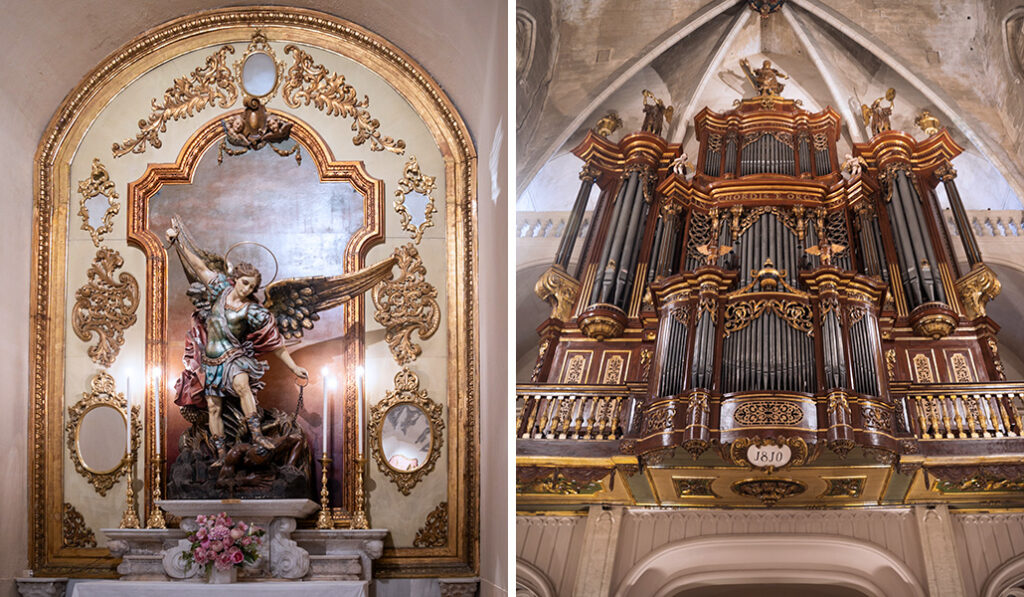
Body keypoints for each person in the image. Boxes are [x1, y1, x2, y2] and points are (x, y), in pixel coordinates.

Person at [167, 217, 308, 469]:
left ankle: (257, 437)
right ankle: (221, 455)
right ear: (235, 279)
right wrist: (179, 241)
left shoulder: (253, 311)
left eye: (252, 286)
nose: (247, 289)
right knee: (213, 409)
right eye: (245, 282)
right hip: (211, 362)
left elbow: (276, 343)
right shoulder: (219, 288)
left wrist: (293, 367)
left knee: (243, 387)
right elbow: (198, 266)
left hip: (234, 357)